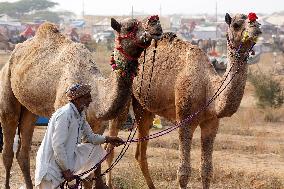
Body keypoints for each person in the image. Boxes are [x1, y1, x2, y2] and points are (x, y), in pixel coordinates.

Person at [35, 83, 124, 189]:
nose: (90, 100)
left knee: (95, 148)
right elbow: (58, 145)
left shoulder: (80, 114)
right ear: (77, 99)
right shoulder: (65, 115)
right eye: (87, 97)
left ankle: (98, 183)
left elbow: (90, 137)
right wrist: (66, 170)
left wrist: (108, 139)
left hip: (66, 160)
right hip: (51, 169)